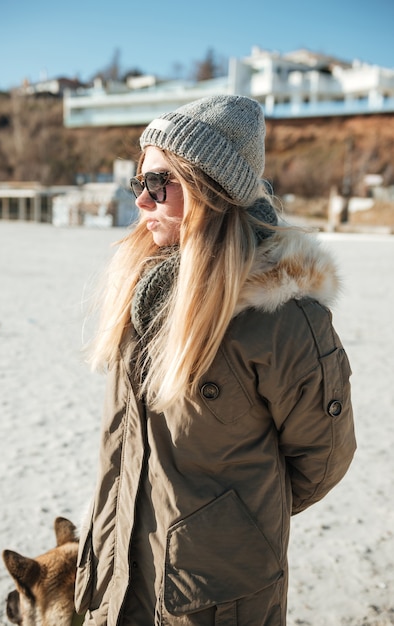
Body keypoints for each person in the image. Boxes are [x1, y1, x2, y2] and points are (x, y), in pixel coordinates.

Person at [74, 95, 356, 626]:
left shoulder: (281, 319)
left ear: (210, 190)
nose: (141, 201)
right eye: (139, 183)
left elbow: (324, 458)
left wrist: (231, 520)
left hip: (216, 597)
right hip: (117, 575)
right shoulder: (144, 290)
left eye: (158, 184)